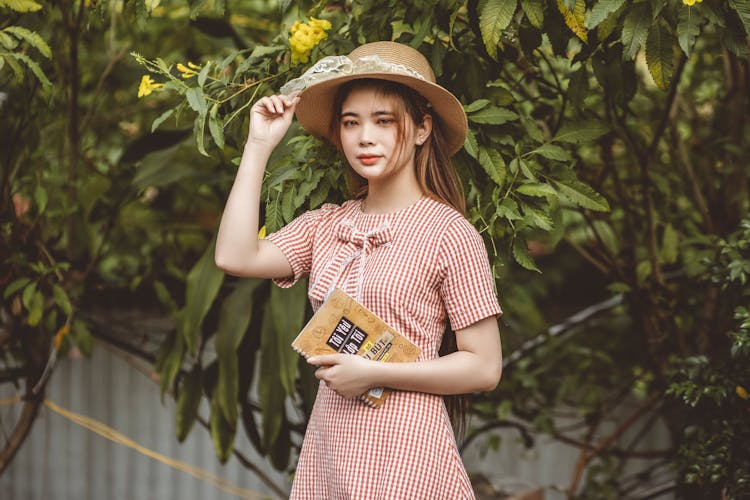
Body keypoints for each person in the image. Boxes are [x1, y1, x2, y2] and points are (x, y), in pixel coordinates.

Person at [215, 41, 503, 499]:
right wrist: (258, 146)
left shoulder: (449, 233)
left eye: (383, 120)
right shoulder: (328, 224)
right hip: (333, 447)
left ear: (423, 128)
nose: (365, 137)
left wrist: (374, 373)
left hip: (408, 451)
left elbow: (484, 368)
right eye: (351, 123)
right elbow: (235, 256)